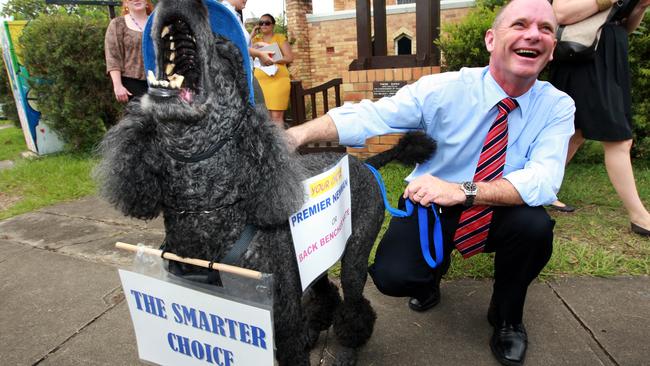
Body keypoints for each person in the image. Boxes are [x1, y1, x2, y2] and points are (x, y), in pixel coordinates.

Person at [286, 0, 574, 364]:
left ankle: (507, 316)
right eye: (520, 24)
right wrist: (297, 135)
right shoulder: (443, 89)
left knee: (535, 228)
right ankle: (431, 277)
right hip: (430, 204)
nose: (533, 34)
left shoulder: (557, 106)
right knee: (393, 276)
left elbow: (545, 179)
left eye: (545, 29)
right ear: (490, 39)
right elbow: (371, 114)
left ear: (549, 51)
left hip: (497, 207)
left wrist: (464, 191)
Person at [549, 0, 650, 236]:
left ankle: (541, 187)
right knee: (618, 138)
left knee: (575, 132)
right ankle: (640, 216)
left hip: (609, 52)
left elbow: (623, 26)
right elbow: (560, 12)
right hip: (585, 56)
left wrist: (640, 7)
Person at [104, 0, 154, 103]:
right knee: (138, 118)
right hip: (131, 85)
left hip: (159, 83)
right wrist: (117, 86)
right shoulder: (117, 24)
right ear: (126, 3)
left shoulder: (159, 23)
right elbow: (113, 57)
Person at [250, 14, 294, 128]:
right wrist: (252, 34)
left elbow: (289, 58)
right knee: (264, 117)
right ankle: (268, 145)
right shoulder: (256, 40)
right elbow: (243, 49)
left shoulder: (280, 37)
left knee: (276, 117)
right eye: (261, 23)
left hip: (277, 81)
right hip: (260, 82)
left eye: (267, 22)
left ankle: (279, 145)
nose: (264, 25)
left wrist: (272, 60)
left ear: (273, 25)